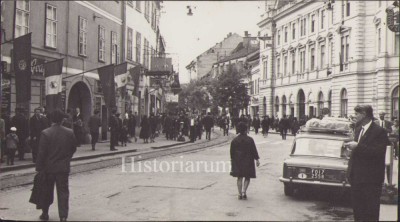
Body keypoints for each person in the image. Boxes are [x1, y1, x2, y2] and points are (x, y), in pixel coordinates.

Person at [345, 105, 390, 221]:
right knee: (358, 211)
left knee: (370, 212)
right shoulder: (359, 129)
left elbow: (378, 152)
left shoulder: (380, 131)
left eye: (356, 114)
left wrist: (357, 146)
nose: (354, 116)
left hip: (371, 181)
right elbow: (359, 153)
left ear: (364, 114)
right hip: (357, 179)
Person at [35, 109, 77, 221]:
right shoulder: (69, 132)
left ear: (51, 120)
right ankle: (63, 216)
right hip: (63, 168)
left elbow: (41, 153)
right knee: (63, 192)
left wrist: (39, 167)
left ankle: (45, 214)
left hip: (48, 168)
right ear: (62, 120)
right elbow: (73, 148)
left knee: (46, 191)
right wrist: (66, 159)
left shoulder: (45, 133)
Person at [230, 122, 260, 200]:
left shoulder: (234, 140)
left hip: (238, 161)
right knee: (247, 177)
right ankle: (244, 192)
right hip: (248, 161)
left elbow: (232, 152)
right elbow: (254, 150)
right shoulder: (250, 140)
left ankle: (239, 193)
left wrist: (232, 161)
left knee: (239, 177)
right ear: (246, 130)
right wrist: (257, 159)